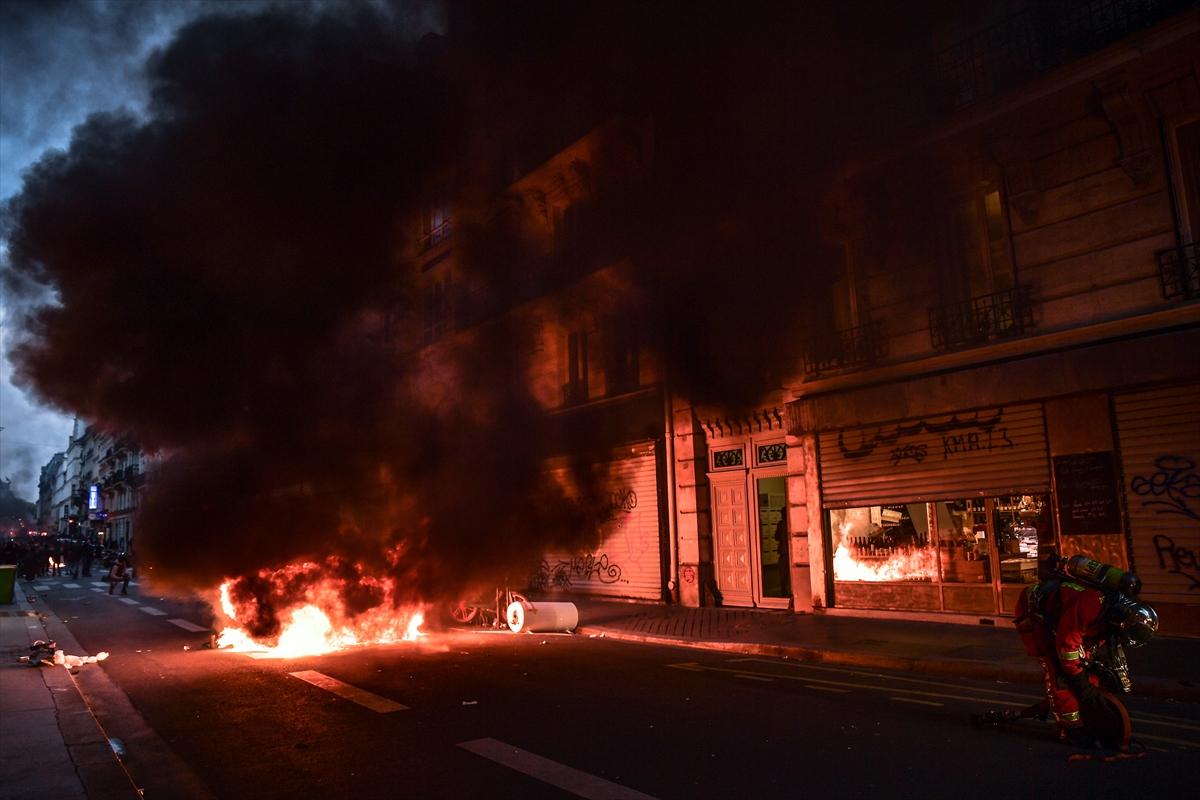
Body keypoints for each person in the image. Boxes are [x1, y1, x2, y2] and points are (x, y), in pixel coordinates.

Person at [1013, 561, 1157, 744]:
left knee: (1084, 664)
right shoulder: (1089, 605)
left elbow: (1091, 642)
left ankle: (1081, 708)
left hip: (1066, 615)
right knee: (1058, 669)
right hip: (1034, 613)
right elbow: (1066, 648)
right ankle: (1070, 728)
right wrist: (1080, 680)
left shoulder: (1118, 606)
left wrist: (1090, 677)